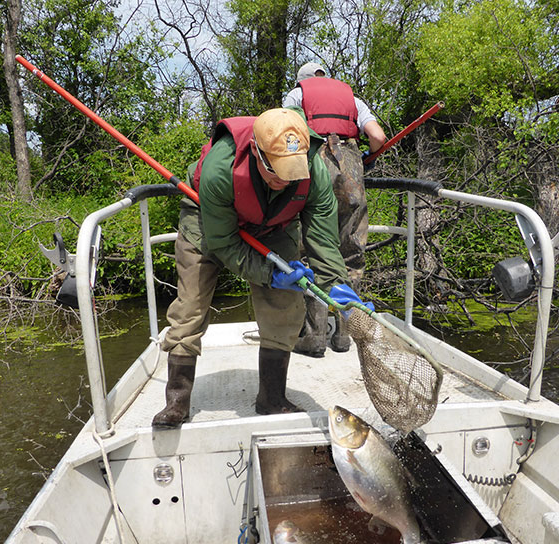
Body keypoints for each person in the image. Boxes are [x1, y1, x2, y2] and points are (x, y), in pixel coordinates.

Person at [153, 107, 371, 428]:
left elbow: (323, 242)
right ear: (257, 152)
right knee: (190, 306)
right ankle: (177, 401)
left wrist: (338, 289)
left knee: (285, 304)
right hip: (209, 222)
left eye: (292, 172)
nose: (285, 181)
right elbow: (224, 244)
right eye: (278, 171)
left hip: (275, 224)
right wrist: (271, 274)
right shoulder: (219, 170)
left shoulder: (314, 171)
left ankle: (271, 398)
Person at [283, 62, 387, 358]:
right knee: (351, 251)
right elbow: (377, 137)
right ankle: (343, 336)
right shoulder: (352, 99)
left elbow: (287, 137)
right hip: (351, 170)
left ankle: (314, 337)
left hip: (314, 171)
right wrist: (368, 157)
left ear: (303, 81)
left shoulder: (296, 94)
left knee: (310, 251)